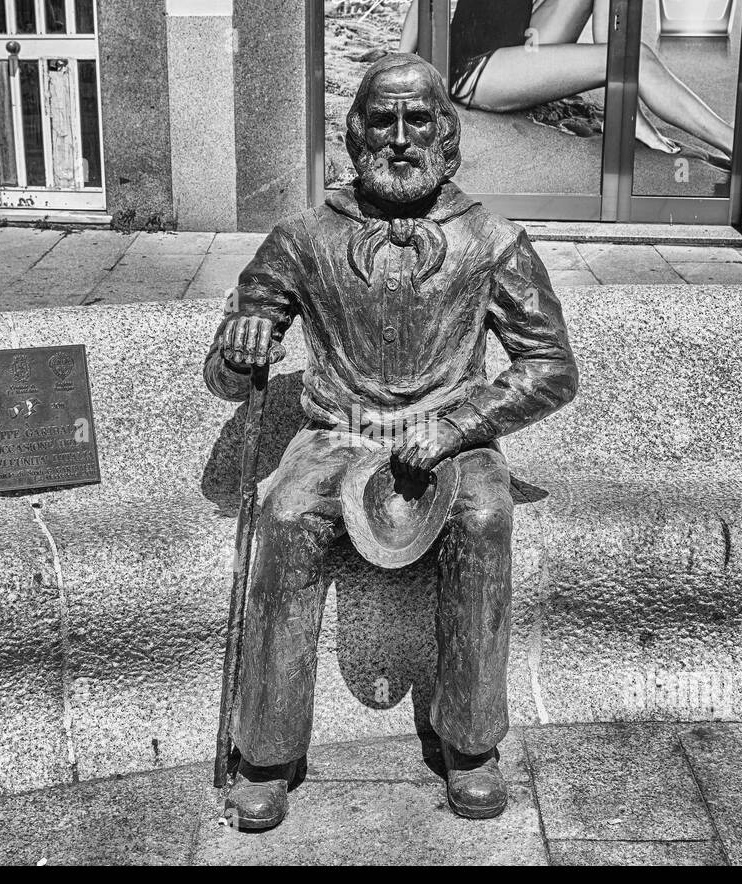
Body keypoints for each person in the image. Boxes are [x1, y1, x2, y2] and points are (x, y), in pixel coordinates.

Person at [204, 53, 577, 831]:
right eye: (383, 120)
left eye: (419, 122)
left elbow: (551, 368)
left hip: (452, 439)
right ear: (355, 134)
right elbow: (227, 372)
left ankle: (471, 746)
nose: (400, 139)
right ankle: (267, 754)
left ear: (447, 136)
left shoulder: (493, 240)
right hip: (338, 435)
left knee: (483, 517)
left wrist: (458, 427)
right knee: (283, 520)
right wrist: (240, 351)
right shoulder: (302, 239)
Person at [399, 0, 734, 156]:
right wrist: (398, 59)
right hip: (477, 68)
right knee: (639, 58)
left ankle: (621, 102)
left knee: (623, 55)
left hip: (520, 40)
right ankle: (736, 144)